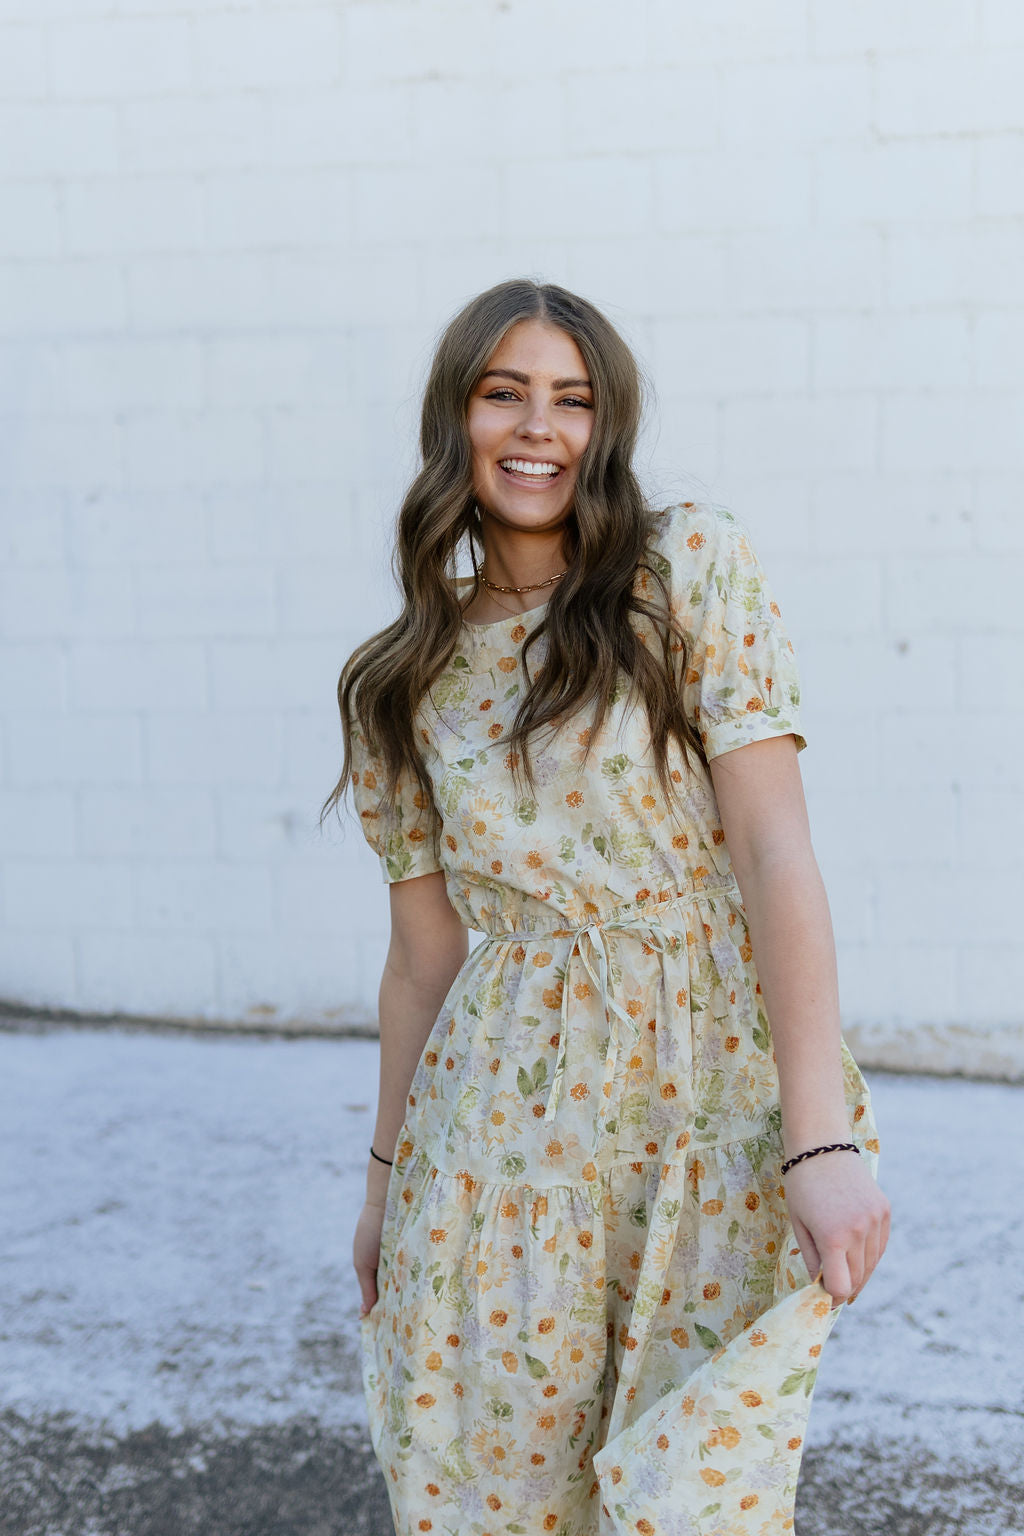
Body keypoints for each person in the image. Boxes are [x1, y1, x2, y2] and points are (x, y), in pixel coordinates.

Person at [321, 278, 890, 1536]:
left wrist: (818, 1137)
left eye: (571, 401)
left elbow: (773, 851)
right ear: (455, 420)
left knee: (693, 1492)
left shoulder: (686, 569)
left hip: (698, 1112)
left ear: (605, 426)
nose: (538, 428)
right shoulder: (398, 682)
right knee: (501, 1486)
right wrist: (380, 1188)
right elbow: (421, 958)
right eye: (503, 393)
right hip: (498, 1150)